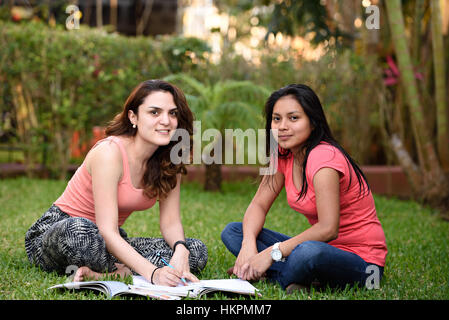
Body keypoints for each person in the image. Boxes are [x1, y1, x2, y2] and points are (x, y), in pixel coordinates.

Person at [25, 80, 208, 286]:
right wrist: (154, 274)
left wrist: (180, 249)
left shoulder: (170, 161)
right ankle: (125, 269)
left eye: (173, 113)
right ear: (133, 117)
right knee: (80, 230)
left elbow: (171, 222)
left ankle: (113, 272)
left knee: (196, 250)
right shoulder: (109, 153)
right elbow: (106, 230)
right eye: (154, 112)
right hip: (60, 233)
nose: (166, 120)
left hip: (106, 241)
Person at [221, 84, 387, 292]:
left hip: (364, 265)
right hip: (323, 250)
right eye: (276, 118)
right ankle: (298, 279)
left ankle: (277, 276)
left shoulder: (324, 157)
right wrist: (248, 246)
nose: (282, 126)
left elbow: (328, 228)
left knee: (307, 252)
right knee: (234, 231)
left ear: (313, 122)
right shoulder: (283, 153)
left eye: (293, 118)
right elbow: (258, 205)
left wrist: (271, 254)